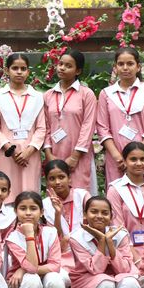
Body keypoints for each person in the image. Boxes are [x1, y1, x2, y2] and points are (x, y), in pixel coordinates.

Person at [67, 196, 139, 288]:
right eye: (94, 212)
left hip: (115, 281)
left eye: (105, 213)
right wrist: (102, 241)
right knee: (105, 283)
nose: (99, 216)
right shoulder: (76, 238)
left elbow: (124, 269)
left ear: (111, 216)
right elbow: (96, 270)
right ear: (85, 214)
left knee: (131, 283)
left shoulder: (121, 234)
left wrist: (110, 243)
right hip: (86, 286)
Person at [97, 48, 144, 186]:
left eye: (130, 64)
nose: (125, 68)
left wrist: (136, 156)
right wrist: (118, 157)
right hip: (117, 159)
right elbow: (102, 128)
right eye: (120, 64)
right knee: (119, 194)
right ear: (115, 67)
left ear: (138, 67)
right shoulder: (106, 94)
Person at [2, 191, 66, 288]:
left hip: (44, 283)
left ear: (42, 212)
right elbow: (31, 267)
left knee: (55, 279)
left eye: (33, 208)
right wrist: (30, 235)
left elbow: (55, 266)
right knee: (32, 279)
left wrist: (21, 270)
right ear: (16, 211)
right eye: (23, 208)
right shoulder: (12, 238)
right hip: (19, 286)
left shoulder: (51, 232)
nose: (28, 213)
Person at [0, 53, 47, 192]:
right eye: (15, 68)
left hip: (30, 154)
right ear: (6, 70)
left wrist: (28, 151)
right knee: (5, 192)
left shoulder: (37, 97)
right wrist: (10, 149)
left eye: (23, 68)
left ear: (28, 72)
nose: (19, 72)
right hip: (6, 154)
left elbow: (41, 128)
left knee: (29, 192)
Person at [43, 50, 98, 193]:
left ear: (78, 71)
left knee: (80, 194)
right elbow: (45, 126)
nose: (62, 68)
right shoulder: (48, 95)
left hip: (79, 155)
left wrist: (75, 156)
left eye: (68, 66)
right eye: (60, 64)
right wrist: (49, 155)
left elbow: (88, 126)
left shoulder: (86, 94)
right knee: (56, 193)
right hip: (55, 154)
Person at [105, 141, 144, 248]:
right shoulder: (115, 189)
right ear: (124, 161)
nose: (138, 163)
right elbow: (117, 227)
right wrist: (133, 254)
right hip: (125, 249)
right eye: (133, 159)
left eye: (143, 159)